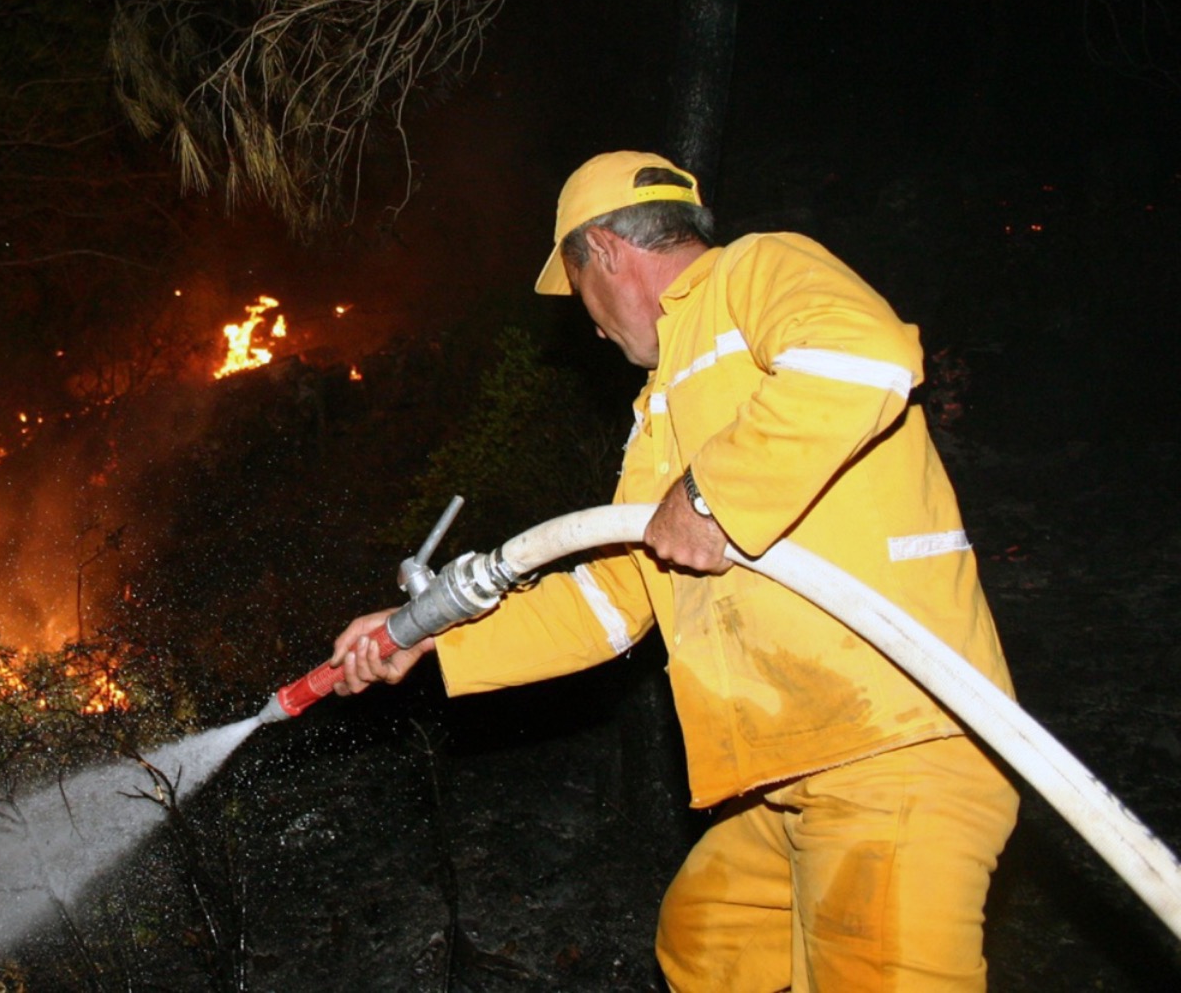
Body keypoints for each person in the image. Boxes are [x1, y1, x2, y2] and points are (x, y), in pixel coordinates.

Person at [333, 151, 1017, 991]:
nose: (587, 323)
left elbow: (867, 355)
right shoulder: (663, 404)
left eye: (577, 288)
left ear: (606, 253)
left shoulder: (756, 273)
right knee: (710, 938)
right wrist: (429, 641)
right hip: (793, 769)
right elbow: (614, 600)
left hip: (893, 739)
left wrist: (708, 493)